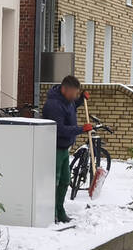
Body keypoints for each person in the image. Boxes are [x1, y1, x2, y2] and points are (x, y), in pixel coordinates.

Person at [41, 75, 95, 224]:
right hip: (55, 148)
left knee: (65, 181)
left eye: (77, 93)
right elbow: (58, 129)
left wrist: (80, 99)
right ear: (64, 89)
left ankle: (60, 209)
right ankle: (51, 212)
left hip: (64, 148)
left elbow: (69, 108)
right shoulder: (53, 105)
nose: (75, 96)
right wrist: (80, 129)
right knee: (55, 182)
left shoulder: (68, 101)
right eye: (74, 93)